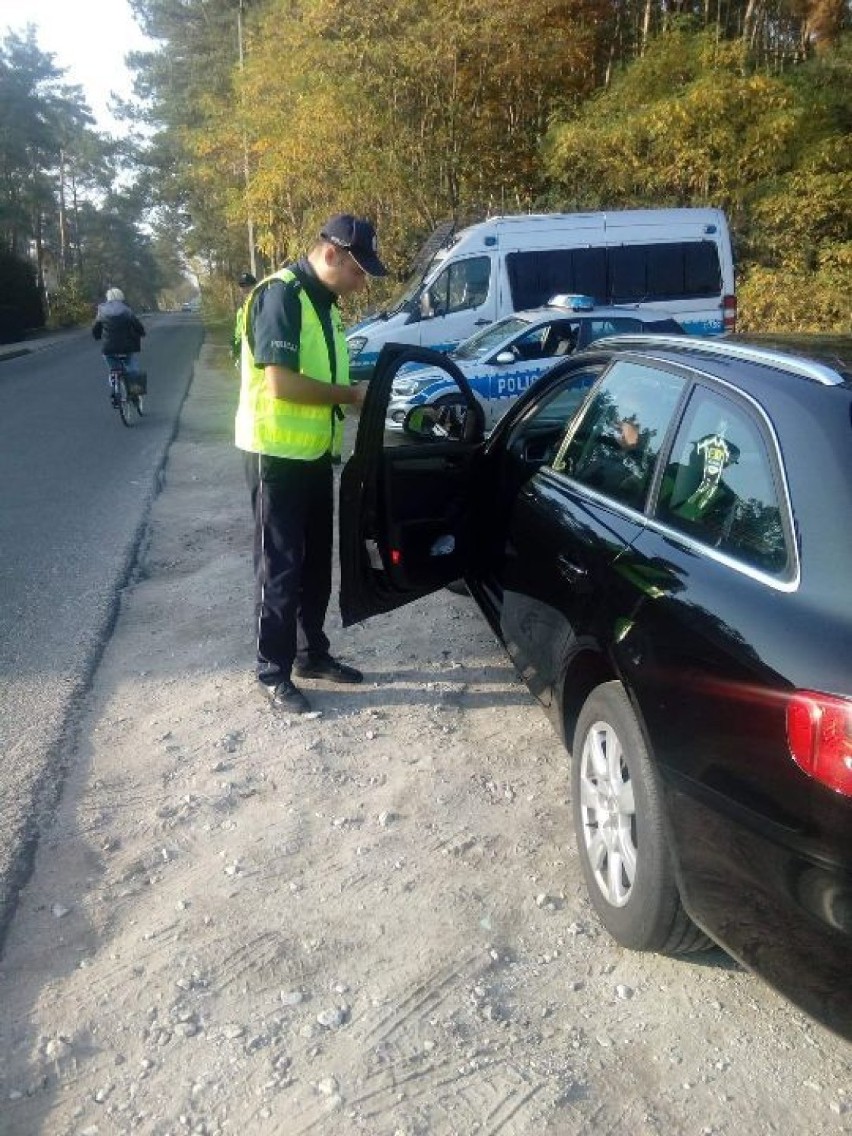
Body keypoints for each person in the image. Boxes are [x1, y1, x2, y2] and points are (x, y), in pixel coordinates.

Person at [235, 213, 388, 715]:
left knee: (317, 566)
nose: (362, 281)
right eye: (358, 270)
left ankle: (309, 655)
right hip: (274, 455)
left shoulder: (327, 305)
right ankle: (272, 671)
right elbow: (281, 383)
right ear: (331, 254)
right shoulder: (280, 295)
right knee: (280, 569)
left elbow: (326, 371)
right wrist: (349, 395)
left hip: (315, 454)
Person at [92, 288, 146, 396]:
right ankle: (135, 392)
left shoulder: (101, 309)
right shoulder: (126, 309)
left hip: (109, 348)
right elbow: (136, 325)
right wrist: (142, 333)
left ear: (108, 297)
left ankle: (114, 383)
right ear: (121, 296)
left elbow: (96, 327)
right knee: (132, 368)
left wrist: (97, 336)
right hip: (127, 347)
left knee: (114, 368)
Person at [232, 272, 257, 365]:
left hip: (255, 349)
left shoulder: (259, 304)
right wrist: (235, 347)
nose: (245, 288)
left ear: (255, 286)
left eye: (248, 285)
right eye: (242, 285)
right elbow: (238, 331)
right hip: (243, 349)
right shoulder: (241, 308)